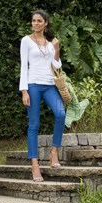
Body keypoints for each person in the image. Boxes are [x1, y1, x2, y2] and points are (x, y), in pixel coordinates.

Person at [19, 10, 65, 182]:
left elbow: (56, 65)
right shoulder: (26, 41)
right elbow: (24, 66)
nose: (36, 23)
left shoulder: (51, 42)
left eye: (39, 21)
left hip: (50, 85)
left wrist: (57, 49)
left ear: (46, 23)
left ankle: (54, 152)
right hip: (33, 85)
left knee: (60, 114)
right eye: (33, 21)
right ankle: (35, 165)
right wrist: (24, 91)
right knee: (34, 124)